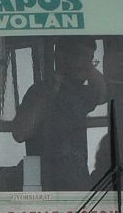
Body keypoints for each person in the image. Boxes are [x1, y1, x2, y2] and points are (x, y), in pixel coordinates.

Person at [11, 40, 107, 190]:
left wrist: (87, 66)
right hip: (42, 186)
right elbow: (20, 133)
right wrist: (54, 86)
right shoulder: (39, 91)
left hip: (76, 187)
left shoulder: (80, 93)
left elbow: (103, 93)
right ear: (61, 57)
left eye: (90, 59)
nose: (86, 66)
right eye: (81, 57)